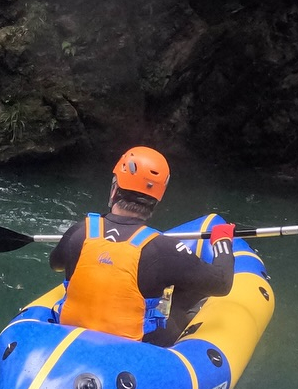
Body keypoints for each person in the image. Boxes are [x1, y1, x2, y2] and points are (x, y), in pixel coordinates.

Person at [49, 147, 236, 346]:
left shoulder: (79, 231)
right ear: (156, 200)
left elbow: (56, 264)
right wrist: (222, 240)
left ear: (114, 189)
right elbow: (222, 283)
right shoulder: (164, 248)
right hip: (135, 348)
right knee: (188, 298)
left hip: (70, 336)